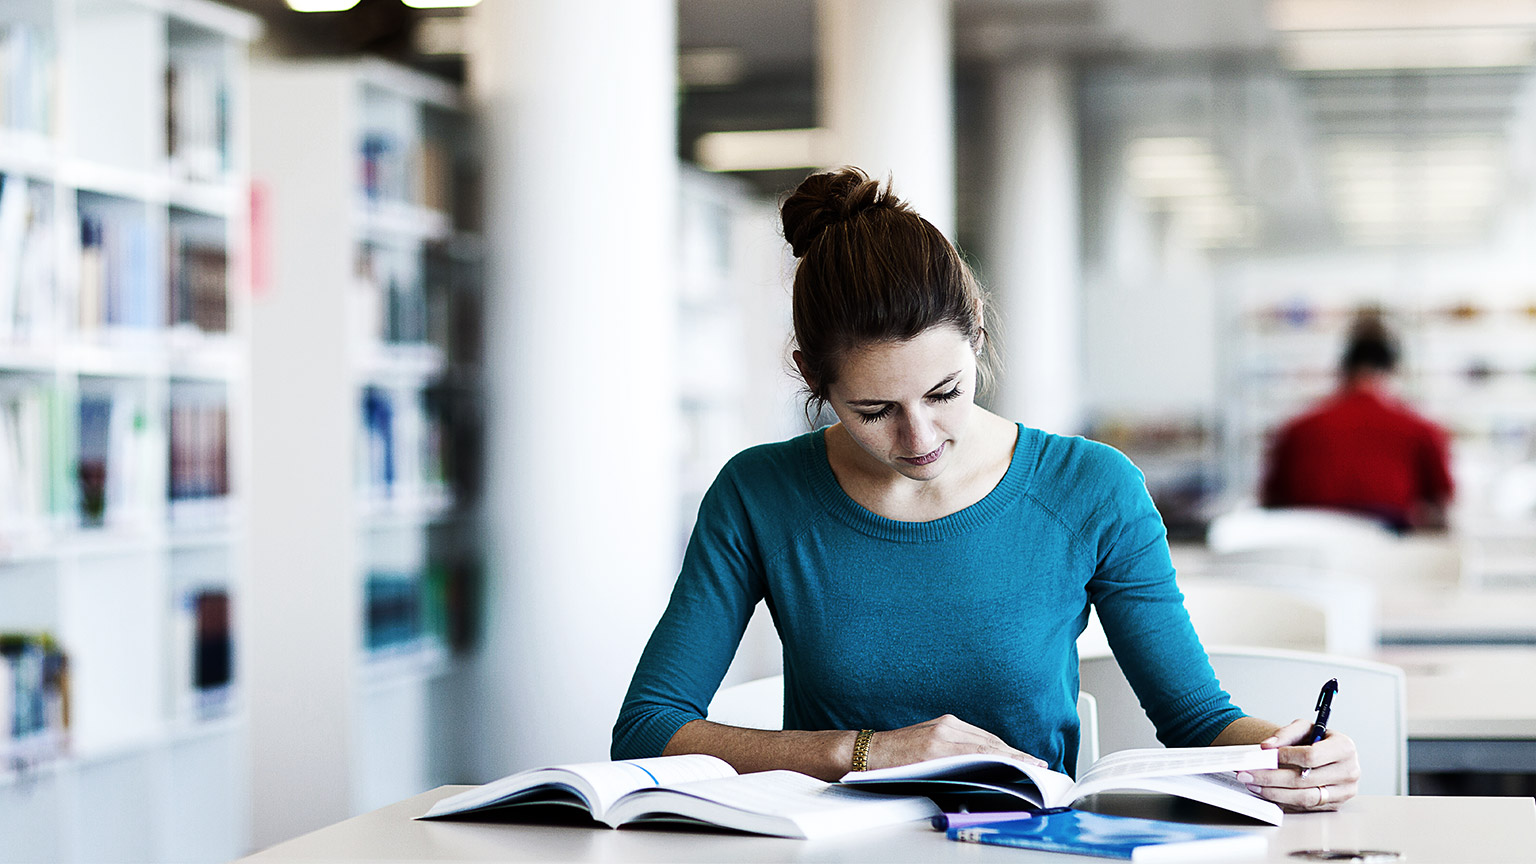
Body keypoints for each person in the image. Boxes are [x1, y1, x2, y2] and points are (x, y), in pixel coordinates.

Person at [612, 167, 1359, 812]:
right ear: (813, 377)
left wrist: (1295, 751)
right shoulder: (759, 493)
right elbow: (647, 726)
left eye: (945, 391)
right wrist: (865, 751)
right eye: (873, 411)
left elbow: (1195, 717)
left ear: (976, 331)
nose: (921, 438)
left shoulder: (1091, 488)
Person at [1261, 311, 1454, 532]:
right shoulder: (1420, 429)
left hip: (1310, 551)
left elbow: (1271, 503)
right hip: (1387, 555)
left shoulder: (1296, 429)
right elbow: (1441, 505)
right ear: (1393, 369)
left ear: (1343, 368)